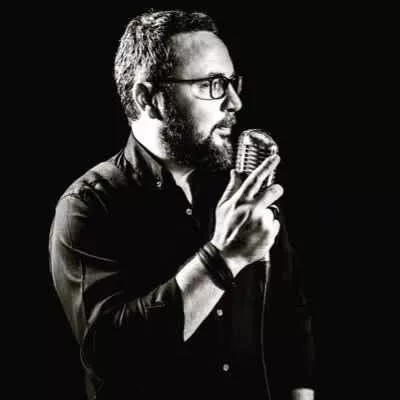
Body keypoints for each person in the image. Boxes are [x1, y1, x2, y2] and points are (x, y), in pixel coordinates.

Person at [49, 9, 316, 400]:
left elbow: (290, 316)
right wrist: (223, 258)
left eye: (232, 82)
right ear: (148, 99)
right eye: (212, 84)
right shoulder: (89, 206)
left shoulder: (238, 188)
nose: (235, 102)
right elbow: (111, 355)